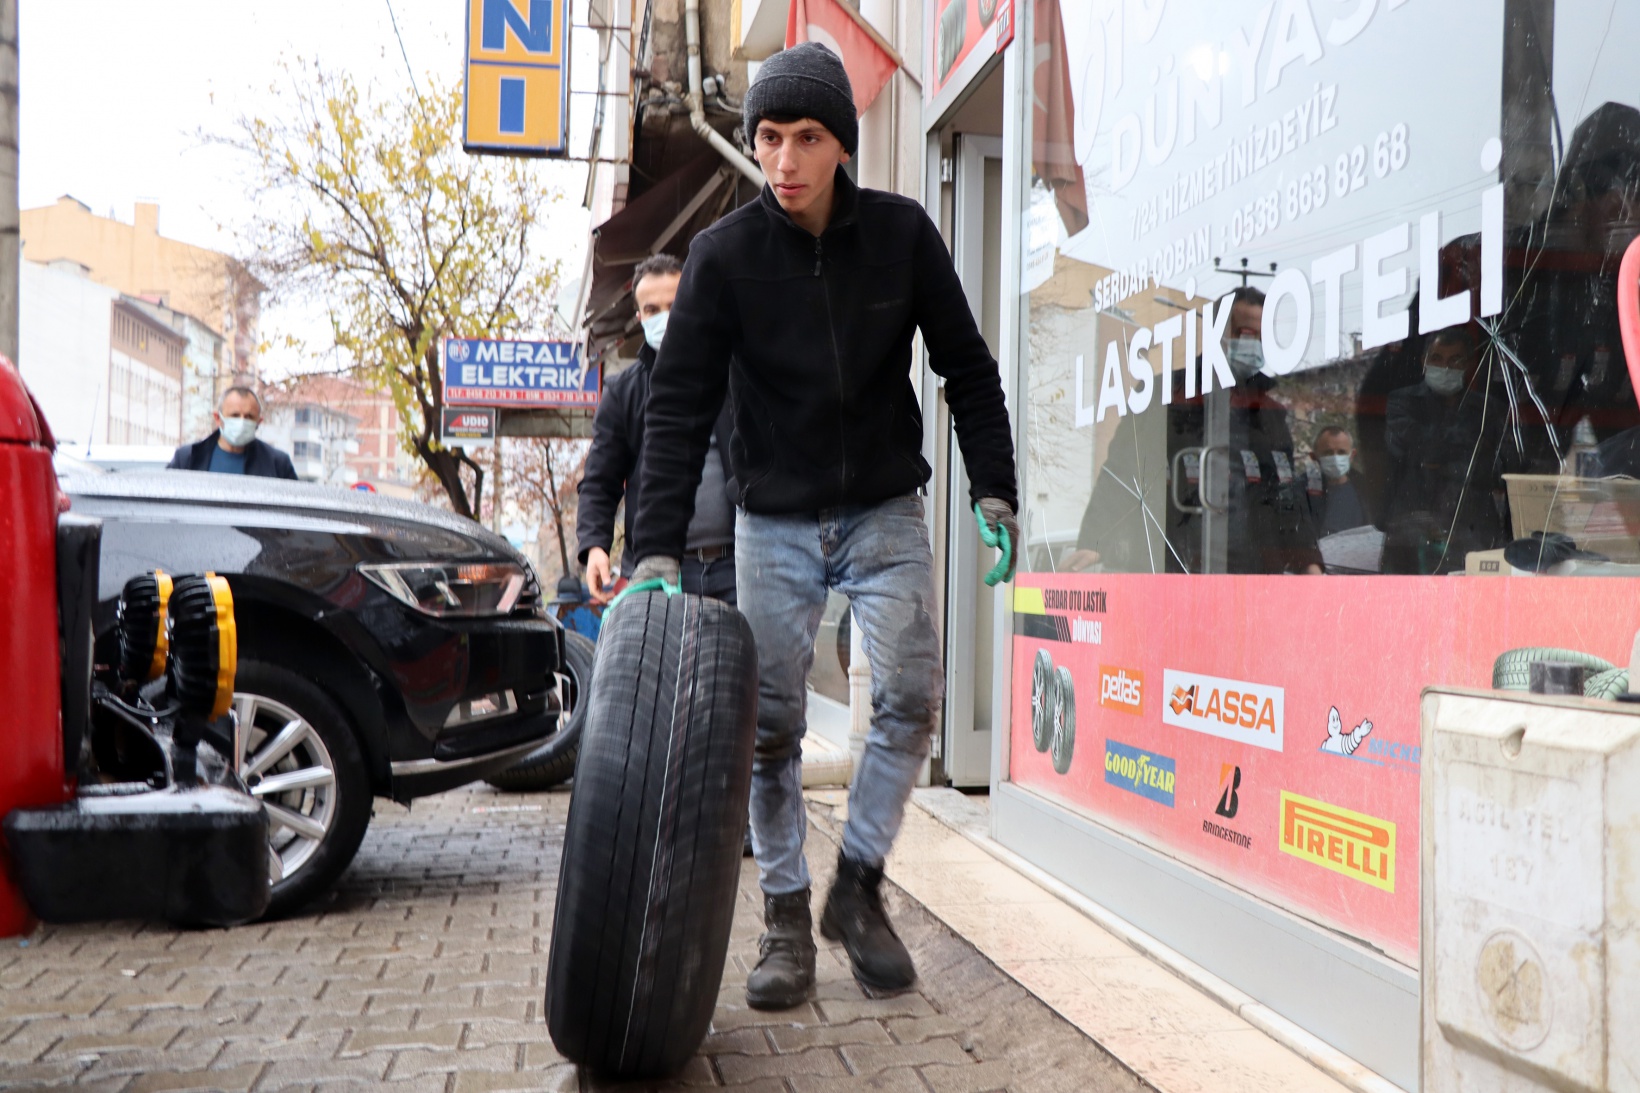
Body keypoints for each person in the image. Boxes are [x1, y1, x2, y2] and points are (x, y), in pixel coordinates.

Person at [627, 42, 1019, 1009]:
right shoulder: (723, 257)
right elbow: (676, 407)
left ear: (843, 143)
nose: (784, 159)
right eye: (769, 137)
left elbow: (968, 369)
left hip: (884, 506)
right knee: (770, 728)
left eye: (807, 137)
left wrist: (995, 491)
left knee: (911, 699)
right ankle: (785, 917)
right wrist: (656, 546)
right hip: (773, 520)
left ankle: (859, 885)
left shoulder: (902, 236)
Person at [1064, 287, 1320, 574]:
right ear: (1217, 334)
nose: (1255, 345)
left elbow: (1286, 491)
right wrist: (1095, 540)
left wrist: (1308, 560)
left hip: (1251, 571)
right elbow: (1123, 469)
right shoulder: (1163, 394)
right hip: (1178, 563)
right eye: (1247, 334)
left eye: (1262, 338)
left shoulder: (1270, 413)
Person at [576, 253, 738, 605]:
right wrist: (595, 545)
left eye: (674, 306)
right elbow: (600, 480)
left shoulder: (735, 380)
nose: (665, 318)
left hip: (739, 567)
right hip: (661, 572)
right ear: (639, 317)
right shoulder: (624, 392)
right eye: (652, 310)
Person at [1383, 327, 1512, 573]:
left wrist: (1439, 459)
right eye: (1437, 358)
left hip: (1474, 529)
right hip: (1415, 529)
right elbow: (1414, 449)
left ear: (1469, 364)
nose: (1445, 367)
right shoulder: (1402, 401)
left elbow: (1500, 468)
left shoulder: (1489, 408)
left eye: (1455, 360)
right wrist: (1471, 449)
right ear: (1424, 361)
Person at [167, 386, 297, 479]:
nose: (242, 422)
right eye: (234, 415)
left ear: (259, 422)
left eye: (249, 417)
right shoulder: (188, 459)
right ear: (218, 418)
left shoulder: (277, 464)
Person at [1305, 426, 1370, 536]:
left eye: (1341, 452)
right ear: (1314, 457)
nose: (1335, 458)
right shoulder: (1302, 492)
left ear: (1352, 455)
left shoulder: (1367, 488)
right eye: (1328, 453)